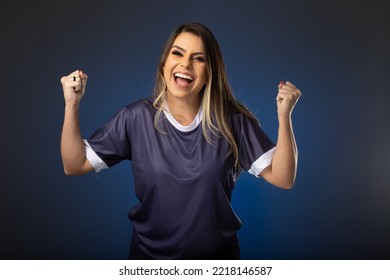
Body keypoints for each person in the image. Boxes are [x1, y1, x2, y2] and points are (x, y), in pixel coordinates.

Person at [60, 22, 301, 260]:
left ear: (209, 72)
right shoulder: (135, 117)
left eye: (199, 58)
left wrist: (284, 116)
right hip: (149, 260)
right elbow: (74, 164)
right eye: (177, 53)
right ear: (164, 63)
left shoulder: (232, 122)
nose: (185, 63)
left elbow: (283, 177)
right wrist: (72, 104)